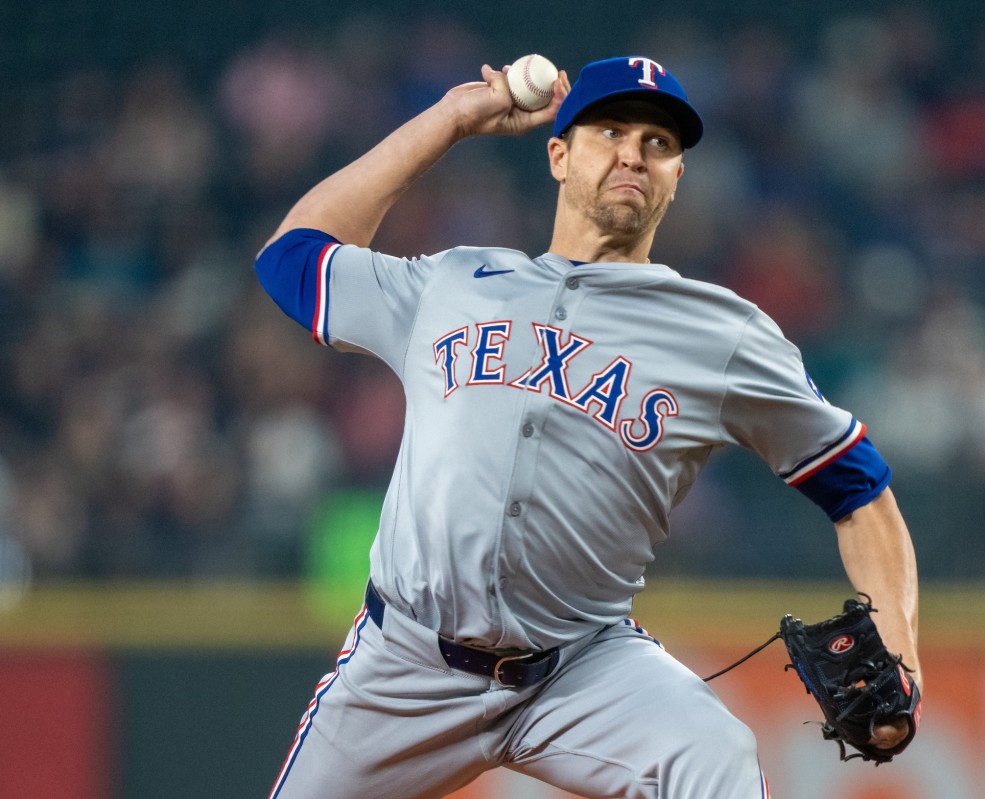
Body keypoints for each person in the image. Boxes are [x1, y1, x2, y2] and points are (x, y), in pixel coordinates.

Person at [256, 55, 921, 799]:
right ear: (559, 155)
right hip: (404, 664)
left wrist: (900, 650)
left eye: (660, 143)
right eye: (610, 130)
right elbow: (292, 259)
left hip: (583, 669)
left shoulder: (723, 333)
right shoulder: (449, 282)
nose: (635, 152)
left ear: (676, 178)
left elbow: (860, 489)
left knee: (715, 757)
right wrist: (450, 121)